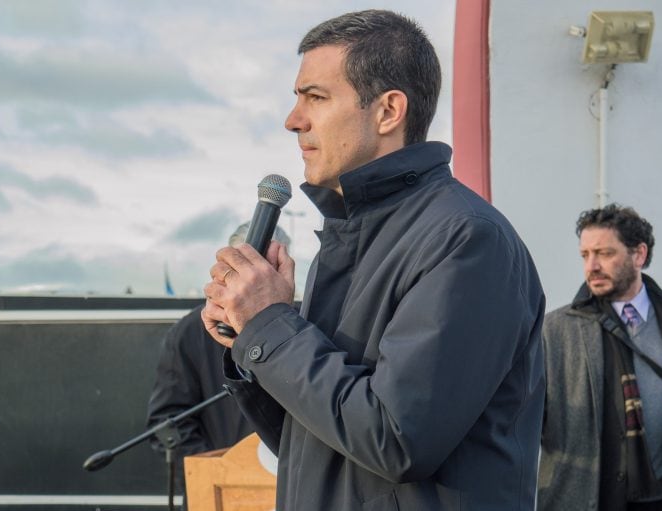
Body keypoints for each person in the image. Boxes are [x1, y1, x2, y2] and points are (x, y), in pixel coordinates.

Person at [202, 9, 546, 510]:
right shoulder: (347, 240)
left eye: (315, 97)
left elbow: (395, 440)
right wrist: (249, 340)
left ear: (388, 111)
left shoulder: (466, 240)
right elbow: (319, 444)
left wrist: (273, 325)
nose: (293, 120)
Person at [539, 204, 662, 511]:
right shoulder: (556, 331)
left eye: (604, 253)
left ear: (639, 255)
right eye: (585, 255)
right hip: (593, 500)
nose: (591, 265)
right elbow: (524, 417)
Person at [146, 222, 289, 508]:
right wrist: (220, 472)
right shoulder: (190, 332)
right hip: (222, 496)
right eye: (247, 266)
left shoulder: (303, 327)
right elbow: (169, 423)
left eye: (266, 267)